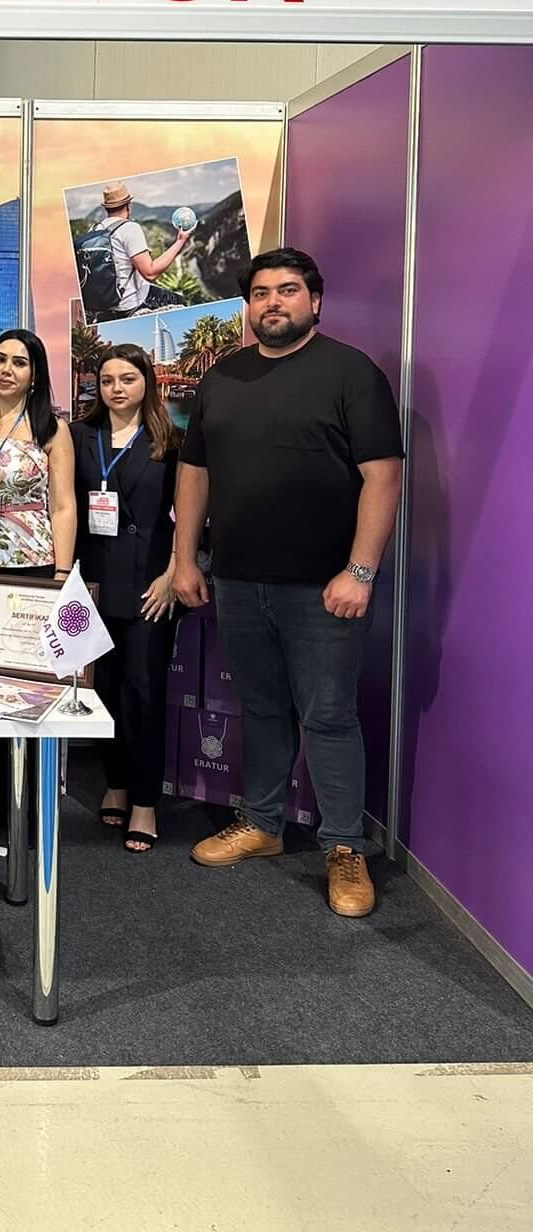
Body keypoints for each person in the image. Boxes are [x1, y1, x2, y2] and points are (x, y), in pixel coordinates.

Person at [173, 248, 403, 918]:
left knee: (328, 717)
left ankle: (344, 847)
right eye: (261, 293)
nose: (273, 302)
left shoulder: (352, 373)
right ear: (249, 306)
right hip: (238, 580)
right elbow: (194, 473)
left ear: (315, 301)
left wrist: (360, 571)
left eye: (288, 289)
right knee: (263, 709)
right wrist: (185, 559)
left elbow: (383, 476)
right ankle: (263, 824)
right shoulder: (222, 377)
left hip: (325, 588)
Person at [71, 345, 178, 852]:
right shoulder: (78, 436)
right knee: (105, 691)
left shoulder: (171, 441)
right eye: (108, 380)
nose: (117, 388)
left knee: (144, 693)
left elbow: (192, 513)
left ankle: (145, 801)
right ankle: (115, 782)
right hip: (91, 582)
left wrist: (174, 573)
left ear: (146, 383)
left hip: (149, 586)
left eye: (128, 379)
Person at [0, 329, 76, 580]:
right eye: (0, 359)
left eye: (19, 363)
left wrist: (62, 572)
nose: (6, 369)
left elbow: (62, 506)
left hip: (33, 558)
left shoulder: (52, 429)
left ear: (35, 375)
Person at [81, 181, 193, 322]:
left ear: (106, 208)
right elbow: (150, 273)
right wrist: (181, 240)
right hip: (130, 304)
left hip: (103, 304)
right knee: (180, 301)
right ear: (128, 205)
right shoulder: (129, 228)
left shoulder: (94, 229)